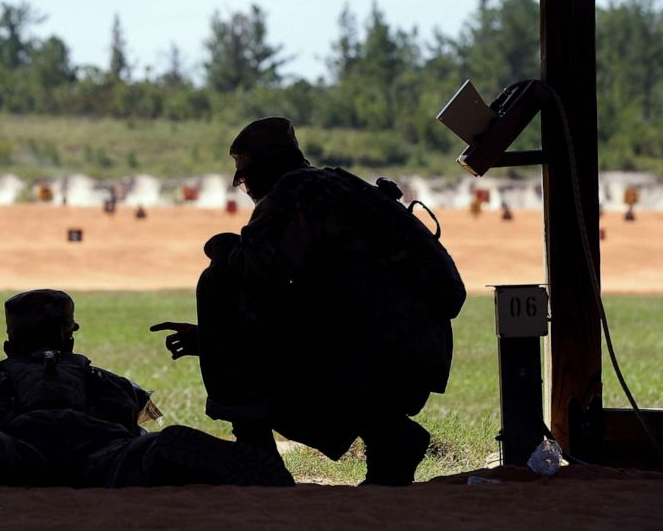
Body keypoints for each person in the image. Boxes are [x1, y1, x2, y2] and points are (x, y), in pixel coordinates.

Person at [152, 117, 465, 486]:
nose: (245, 189)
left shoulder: (294, 192)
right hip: (410, 359)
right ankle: (389, 436)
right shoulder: (340, 185)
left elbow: (255, 273)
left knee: (217, 281)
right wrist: (218, 341)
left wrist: (220, 247)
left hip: (376, 360)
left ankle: (257, 454)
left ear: (265, 171)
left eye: (245, 177)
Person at [0, 289, 292, 488]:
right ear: (71, 338)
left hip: (24, 456)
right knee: (163, 445)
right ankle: (257, 470)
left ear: (9, 345)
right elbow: (138, 417)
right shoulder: (102, 377)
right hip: (99, 457)